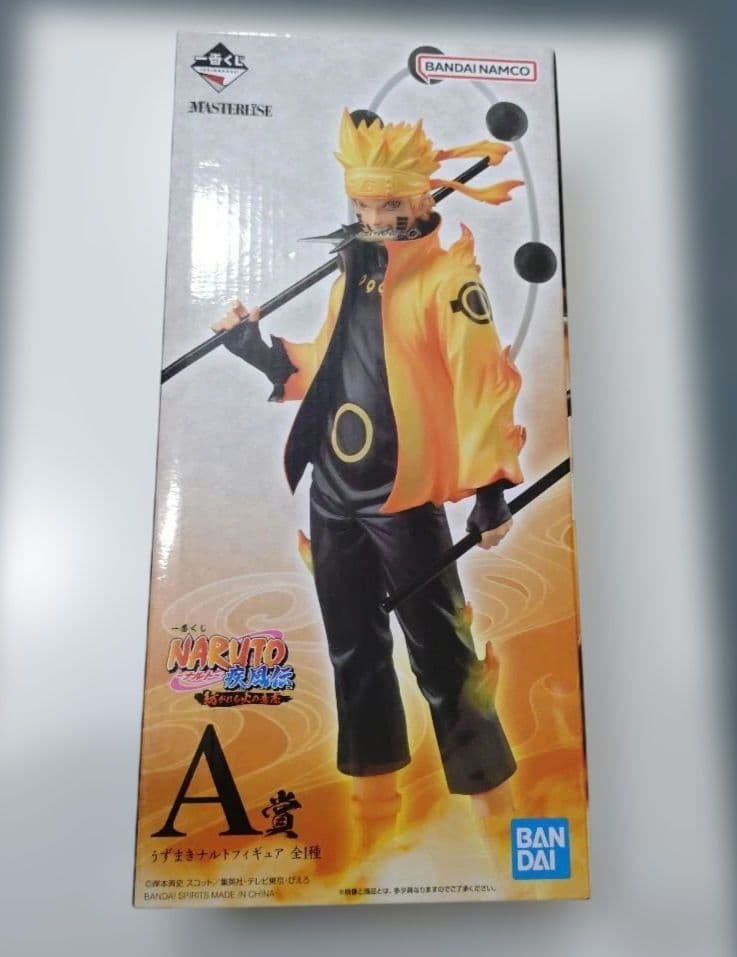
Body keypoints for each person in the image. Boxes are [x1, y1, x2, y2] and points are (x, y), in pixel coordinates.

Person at [213, 110, 526, 853]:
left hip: (401, 496)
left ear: (422, 198)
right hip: (334, 489)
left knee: (443, 653)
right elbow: (325, 366)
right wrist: (255, 349)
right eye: (361, 205)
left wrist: (490, 490)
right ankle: (374, 810)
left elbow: (481, 382)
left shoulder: (448, 282)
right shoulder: (353, 274)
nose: (374, 219)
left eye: (389, 205)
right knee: (352, 645)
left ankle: (499, 814)